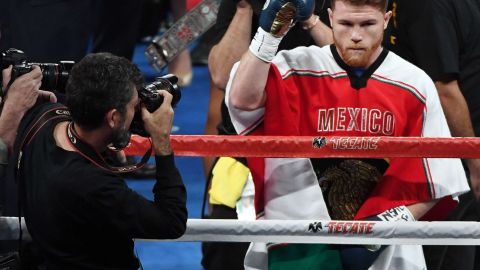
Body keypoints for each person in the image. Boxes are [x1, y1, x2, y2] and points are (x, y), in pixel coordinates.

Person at [226, 0, 470, 269]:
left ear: (386, 20)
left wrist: (379, 231)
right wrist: (268, 36)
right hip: (299, 242)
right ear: (330, 18)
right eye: (345, 24)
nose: (356, 35)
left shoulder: (413, 83)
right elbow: (241, 100)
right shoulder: (296, 67)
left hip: (385, 251)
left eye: (367, 24)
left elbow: (440, 177)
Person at [15, 53, 187, 269]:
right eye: (134, 106)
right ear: (114, 118)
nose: (139, 112)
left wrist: (106, 144)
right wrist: (161, 140)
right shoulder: (94, 185)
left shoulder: (44, 117)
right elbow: (171, 222)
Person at [201, 1, 333, 269]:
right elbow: (222, 76)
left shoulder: (331, 5)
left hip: (320, 163)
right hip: (245, 160)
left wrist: (311, 21)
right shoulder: (242, 5)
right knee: (228, 257)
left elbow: (354, 62)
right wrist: (243, 7)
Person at [383, 0, 480, 269]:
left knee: (465, 251)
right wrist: (474, 160)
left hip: (466, 152)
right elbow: (444, 89)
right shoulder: (428, 6)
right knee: (439, 252)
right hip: (448, 157)